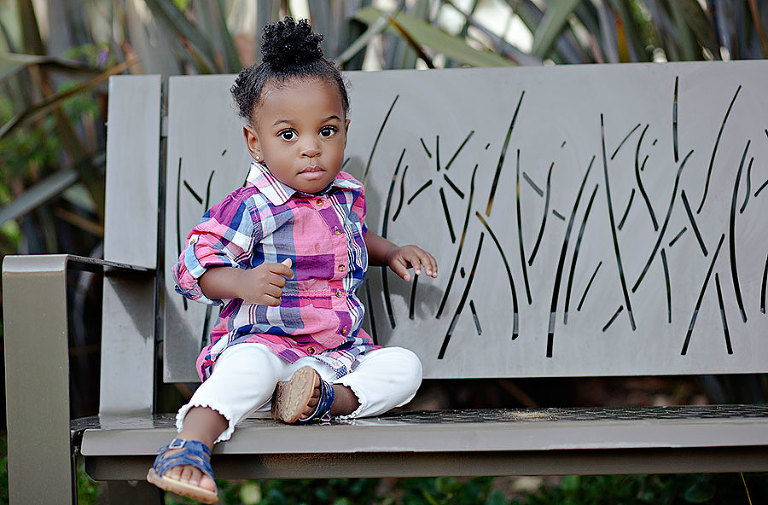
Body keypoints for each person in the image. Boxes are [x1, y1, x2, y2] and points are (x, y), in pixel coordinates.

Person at [146, 17, 438, 504]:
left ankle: (321, 402)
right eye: (288, 135)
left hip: (333, 359)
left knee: (404, 368)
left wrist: (391, 252)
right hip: (266, 348)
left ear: (345, 132)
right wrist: (241, 282)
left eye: (326, 130)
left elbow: (355, 238)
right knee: (248, 367)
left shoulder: (344, 195)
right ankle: (189, 445)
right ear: (255, 142)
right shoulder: (252, 206)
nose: (310, 148)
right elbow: (191, 266)